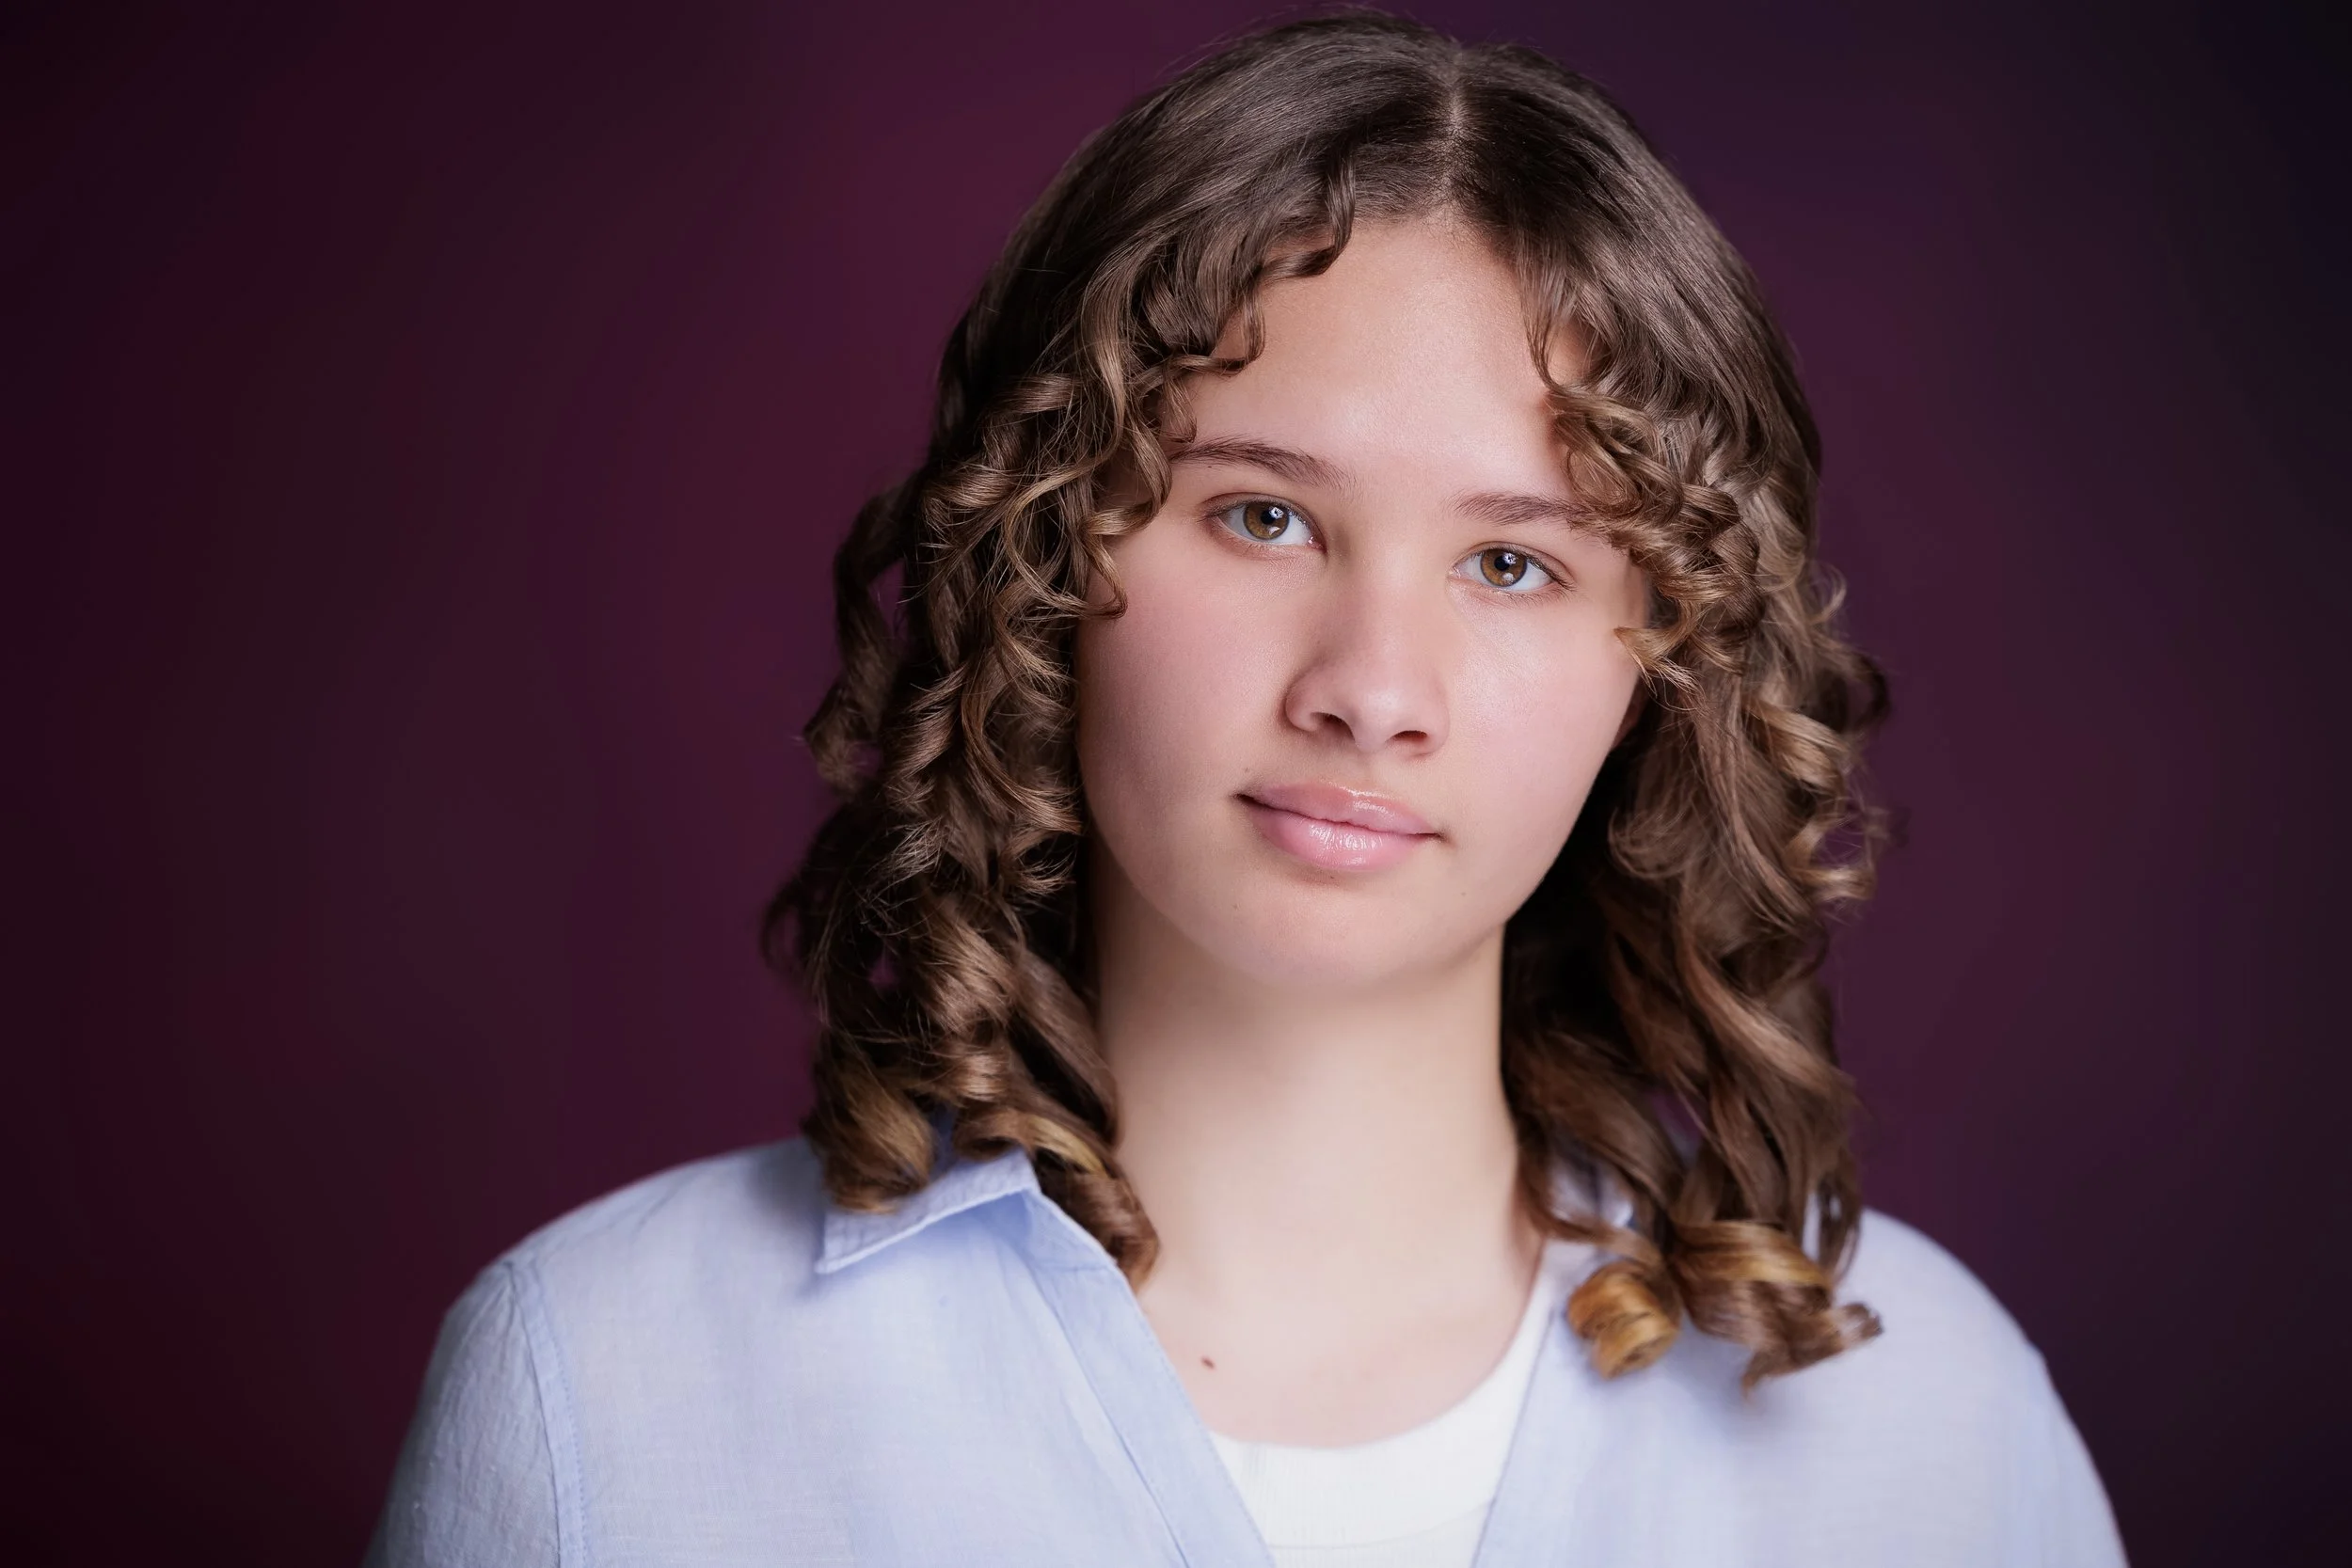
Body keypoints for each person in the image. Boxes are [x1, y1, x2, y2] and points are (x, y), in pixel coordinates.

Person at [365, 12, 2125, 1566]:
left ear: (1654, 665)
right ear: (1048, 557)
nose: (1369, 689)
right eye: (1262, 515)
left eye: (1514, 565)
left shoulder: (1928, 1426)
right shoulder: (598, 1387)